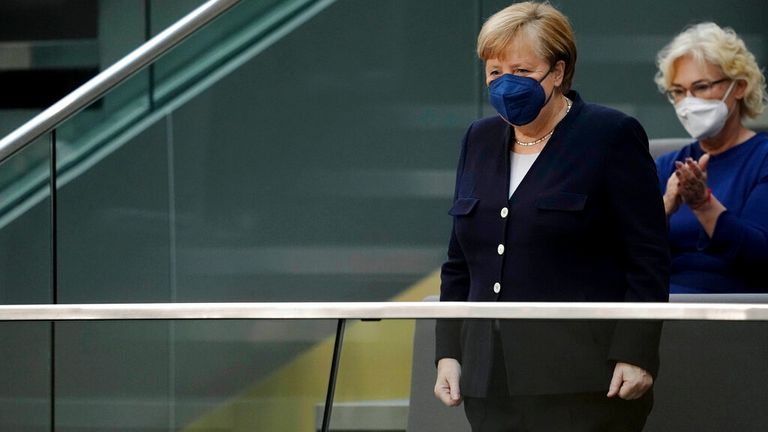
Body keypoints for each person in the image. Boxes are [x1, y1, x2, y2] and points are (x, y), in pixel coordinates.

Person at [433, 2, 670, 431]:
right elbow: (459, 265)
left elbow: (647, 257)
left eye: (522, 71)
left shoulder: (609, 135)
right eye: (495, 72)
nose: (506, 84)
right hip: (490, 381)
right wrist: (449, 354)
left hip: (583, 379)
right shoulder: (479, 138)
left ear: (557, 73)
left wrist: (636, 353)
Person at [654, 22, 768, 294]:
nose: (688, 102)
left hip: (735, 313)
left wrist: (703, 204)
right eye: (678, 92)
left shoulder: (762, 159)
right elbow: (626, 253)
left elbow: (760, 256)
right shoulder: (666, 166)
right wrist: (666, 206)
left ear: (739, 87)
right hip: (662, 308)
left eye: (701, 87)